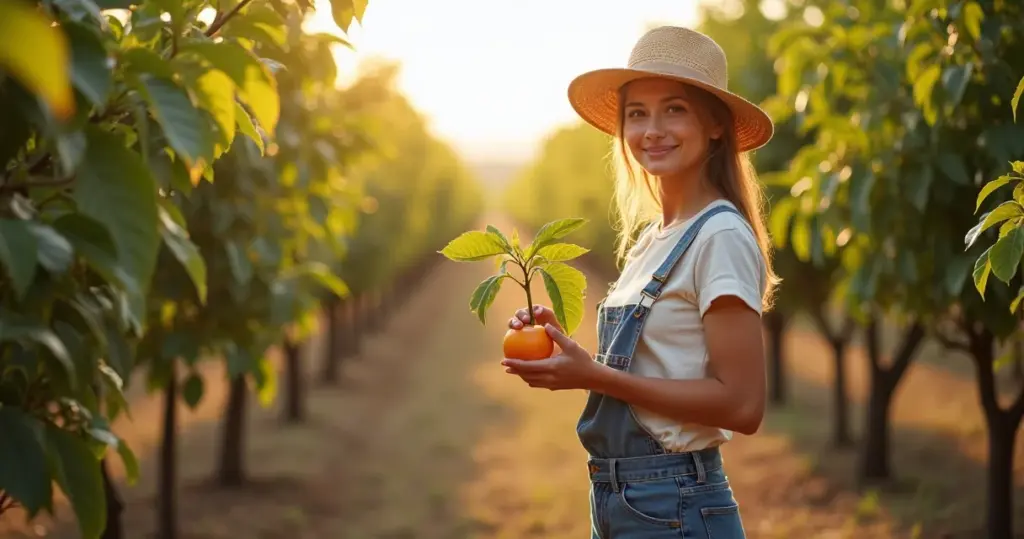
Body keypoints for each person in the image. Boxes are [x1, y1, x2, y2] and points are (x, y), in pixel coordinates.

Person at [501, 26, 778, 538]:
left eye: (674, 109)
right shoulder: (655, 237)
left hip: (674, 502)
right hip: (620, 497)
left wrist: (594, 376)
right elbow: (658, 363)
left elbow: (743, 405)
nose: (652, 129)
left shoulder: (719, 234)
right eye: (637, 113)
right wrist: (564, 347)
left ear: (715, 125)